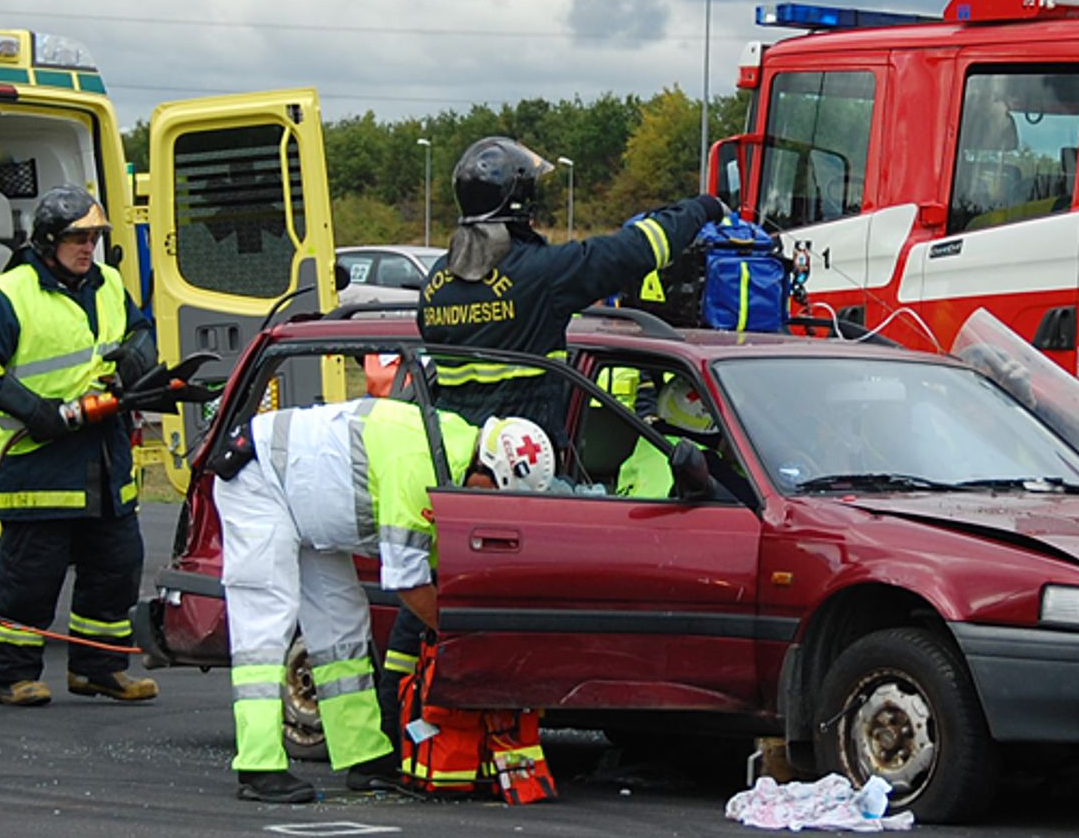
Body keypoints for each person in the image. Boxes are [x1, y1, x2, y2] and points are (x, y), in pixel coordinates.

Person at [211, 403, 550, 804]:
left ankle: (365, 757)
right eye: (494, 493)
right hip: (261, 481)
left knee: (342, 626)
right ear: (483, 466)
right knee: (265, 626)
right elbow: (407, 581)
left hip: (309, 507)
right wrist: (459, 634)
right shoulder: (418, 465)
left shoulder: (452, 454)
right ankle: (258, 766)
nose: (491, 505)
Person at [0, 185, 163, 707]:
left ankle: (99, 667)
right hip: (39, 459)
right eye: (77, 237)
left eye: (93, 237)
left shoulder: (109, 283)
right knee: (30, 576)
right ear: (48, 240)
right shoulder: (10, 292)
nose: (87, 247)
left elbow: (141, 331)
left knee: (116, 565)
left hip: (104, 453)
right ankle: (9, 674)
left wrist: (138, 356)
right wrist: (35, 411)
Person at [417, 135, 727, 443]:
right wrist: (701, 208)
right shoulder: (541, 274)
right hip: (524, 462)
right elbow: (634, 250)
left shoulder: (436, 283)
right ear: (520, 204)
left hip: (455, 459)